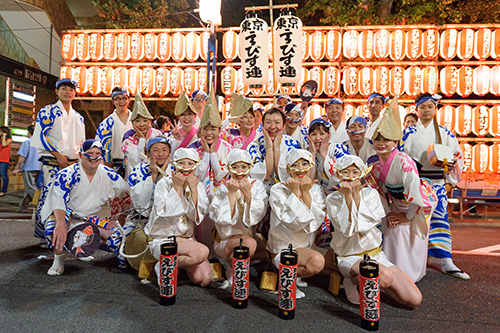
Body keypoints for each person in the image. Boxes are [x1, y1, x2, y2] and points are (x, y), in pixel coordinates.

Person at [325, 155, 422, 308]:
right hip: (349, 256)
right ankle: (350, 280)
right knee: (384, 276)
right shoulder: (333, 199)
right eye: (346, 172)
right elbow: (348, 229)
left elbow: (368, 223)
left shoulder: (371, 194)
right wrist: (350, 198)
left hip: (375, 253)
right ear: (338, 174)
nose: (350, 177)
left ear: (362, 173)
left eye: (355, 172)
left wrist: (356, 196)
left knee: (414, 299)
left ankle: (370, 282)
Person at [400, 93, 469, 280]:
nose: (426, 110)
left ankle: (445, 259)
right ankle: (415, 260)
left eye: (429, 106)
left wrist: (451, 167)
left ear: (435, 108)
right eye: (422, 107)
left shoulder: (445, 133)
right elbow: (401, 156)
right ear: (417, 110)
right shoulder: (409, 132)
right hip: (415, 183)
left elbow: (457, 155)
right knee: (414, 221)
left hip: (437, 184)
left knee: (439, 220)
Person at [367, 98, 436, 283]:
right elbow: (377, 191)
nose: (381, 144)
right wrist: (389, 213)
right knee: (390, 228)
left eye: (386, 140)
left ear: (396, 141)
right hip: (396, 205)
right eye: (377, 139)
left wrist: (408, 217)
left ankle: (410, 276)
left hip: (417, 205)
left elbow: (415, 192)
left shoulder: (404, 161)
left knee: (407, 233)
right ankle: (392, 274)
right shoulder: (375, 166)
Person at [39, 140, 131, 275]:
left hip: (89, 218)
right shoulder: (67, 174)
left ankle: (82, 248)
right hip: (63, 214)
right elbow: (59, 200)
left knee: (118, 235)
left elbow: (125, 195)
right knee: (57, 228)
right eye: (90, 153)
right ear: (81, 155)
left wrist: (120, 219)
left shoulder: (109, 174)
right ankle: (58, 258)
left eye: (97, 154)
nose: (93, 157)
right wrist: (60, 224)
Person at [146, 148, 213, 287]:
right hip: (163, 238)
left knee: (205, 279)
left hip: (186, 240)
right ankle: (165, 262)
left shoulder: (198, 185)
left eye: (190, 163)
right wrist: (177, 187)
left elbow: (197, 217)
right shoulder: (164, 183)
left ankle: (172, 262)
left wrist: (193, 189)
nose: (186, 168)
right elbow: (165, 212)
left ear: (196, 165)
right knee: (202, 252)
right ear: (175, 164)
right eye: (182, 163)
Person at [267, 149, 326, 298]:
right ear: (288, 169)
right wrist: (295, 193)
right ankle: (285, 276)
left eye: (304, 163)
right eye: (295, 164)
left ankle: (293, 273)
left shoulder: (317, 189)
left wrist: (305, 193)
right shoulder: (278, 189)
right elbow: (292, 222)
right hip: (283, 248)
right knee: (316, 262)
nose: (300, 169)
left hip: (305, 246)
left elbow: (315, 221)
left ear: (311, 165)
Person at [209, 149, 268, 284]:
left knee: (270, 249)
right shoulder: (223, 188)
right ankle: (232, 267)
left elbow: (257, 216)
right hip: (226, 239)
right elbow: (221, 220)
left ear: (249, 167)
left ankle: (239, 263)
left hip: (248, 236)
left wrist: (248, 195)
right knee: (248, 244)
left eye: (243, 166)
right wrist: (231, 194)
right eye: (235, 167)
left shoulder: (256, 186)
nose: (239, 171)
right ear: (229, 168)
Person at [31, 79, 85, 188]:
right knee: (51, 195)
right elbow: (42, 136)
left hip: (73, 164)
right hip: (53, 161)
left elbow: (82, 142)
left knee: (71, 198)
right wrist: (59, 156)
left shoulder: (79, 117)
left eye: (71, 90)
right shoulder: (46, 111)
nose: (68, 92)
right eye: (64, 89)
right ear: (57, 91)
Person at [247, 108, 301, 190]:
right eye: (268, 122)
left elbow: (285, 176)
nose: (272, 127)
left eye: (277, 122)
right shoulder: (254, 145)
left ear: (284, 125)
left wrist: (276, 149)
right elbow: (265, 176)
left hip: (287, 190)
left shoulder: (293, 144)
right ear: (263, 125)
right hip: (260, 192)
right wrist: (269, 147)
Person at [128, 136, 172, 220]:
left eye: (164, 150)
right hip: (141, 218)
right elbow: (138, 198)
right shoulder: (139, 169)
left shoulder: (175, 171)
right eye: (156, 150)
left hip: (168, 221)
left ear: (169, 154)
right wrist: (153, 175)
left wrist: (163, 175)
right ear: (148, 154)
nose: (160, 154)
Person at [121, 91, 162, 178]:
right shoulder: (128, 136)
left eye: (145, 120)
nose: (141, 124)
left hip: (155, 173)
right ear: (132, 123)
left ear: (150, 121)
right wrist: (142, 140)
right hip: (134, 174)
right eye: (137, 121)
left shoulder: (157, 134)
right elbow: (136, 159)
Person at [96, 87, 133, 177]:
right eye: (117, 99)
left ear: (129, 100)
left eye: (124, 98)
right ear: (113, 101)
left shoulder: (136, 120)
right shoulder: (106, 124)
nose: (121, 102)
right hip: (113, 166)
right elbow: (99, 147)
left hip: (134, 165)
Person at [12, 125, 41, 212]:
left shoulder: (27, 142)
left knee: (31, 188)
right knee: (30, 187)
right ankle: (22, 207)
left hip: (29, 167)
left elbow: (22, 157)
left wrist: (17, 168)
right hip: (39, 167)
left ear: (28, 132)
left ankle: (41, 205)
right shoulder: (40, 142)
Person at [0, 126, 12, 197]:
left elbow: (4, 144)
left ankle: (3, 190)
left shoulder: (9, 139)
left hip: (4, 160)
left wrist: (4, 137)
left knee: (4, 176)